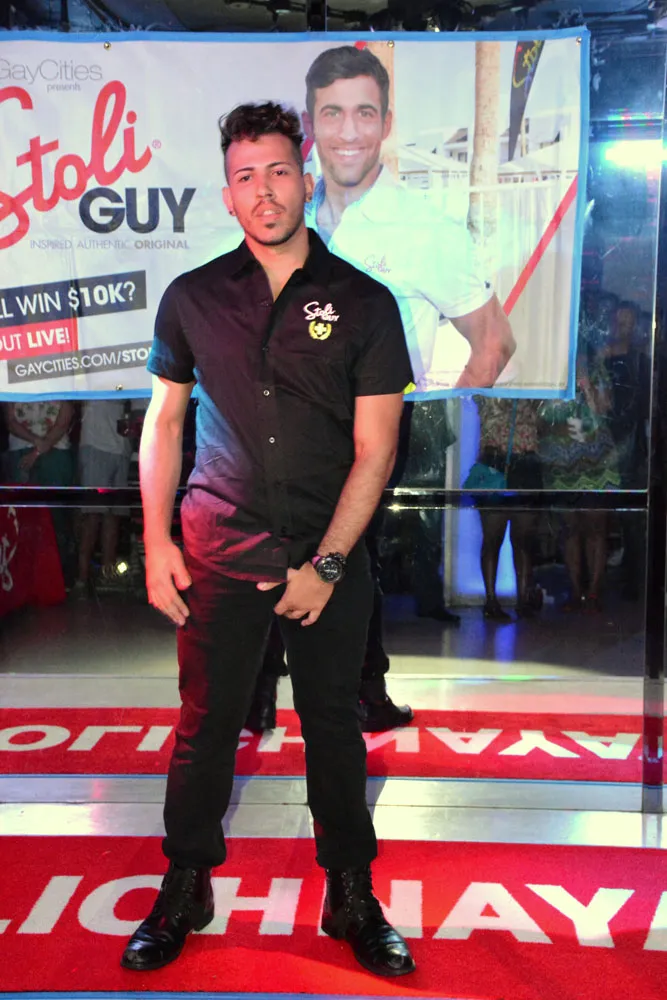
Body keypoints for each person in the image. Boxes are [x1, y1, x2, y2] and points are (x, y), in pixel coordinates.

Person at [121, 102, 416, 978]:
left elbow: (376, 449)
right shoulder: (193, 297)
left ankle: (351, 893)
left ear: (307, 180)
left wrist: (326, 564)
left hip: (329, 557)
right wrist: (156, 541)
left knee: (334, 726)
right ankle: (184, 886)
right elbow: (163, 423)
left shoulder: (364, 302)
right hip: (218, 550)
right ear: (227, 194)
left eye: (279, 171)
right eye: (245, 176)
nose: (264, 190)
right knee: (204, 727)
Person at [246, 44, 513, 732]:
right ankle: (258, 695)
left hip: (371, 437)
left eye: (364, 113)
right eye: (332, 113)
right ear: (310, 123)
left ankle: (361, 695)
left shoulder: (427, 230)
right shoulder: (281, 211)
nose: (348, 131)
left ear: (386, 123)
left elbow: (494, 344)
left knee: (351, 567)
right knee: (262, 555)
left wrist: (421, 419)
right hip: (274, 433)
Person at [539, 351, 620, 612]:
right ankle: (575, 592)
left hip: (597, 461)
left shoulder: (597, 369)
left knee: (596, 528)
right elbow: (540, 418)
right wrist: (558, 427)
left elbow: (605, 409)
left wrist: (586, 385)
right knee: (570, 529)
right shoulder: (552, 370)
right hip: (562, 462)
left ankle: (594, 592)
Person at [473, 397, 543, 621]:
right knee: (492, 538)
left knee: (523, 540)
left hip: (525, 464)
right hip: (495, 462)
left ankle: (522, 599)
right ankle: (491, 600)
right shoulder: (489, 389)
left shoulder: (536, 389)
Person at [73, 400, 136, 596]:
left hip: (122, 447)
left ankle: (107, 576)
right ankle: (82, 578)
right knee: (92, 515)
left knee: (114, 517)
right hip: (96, 444)